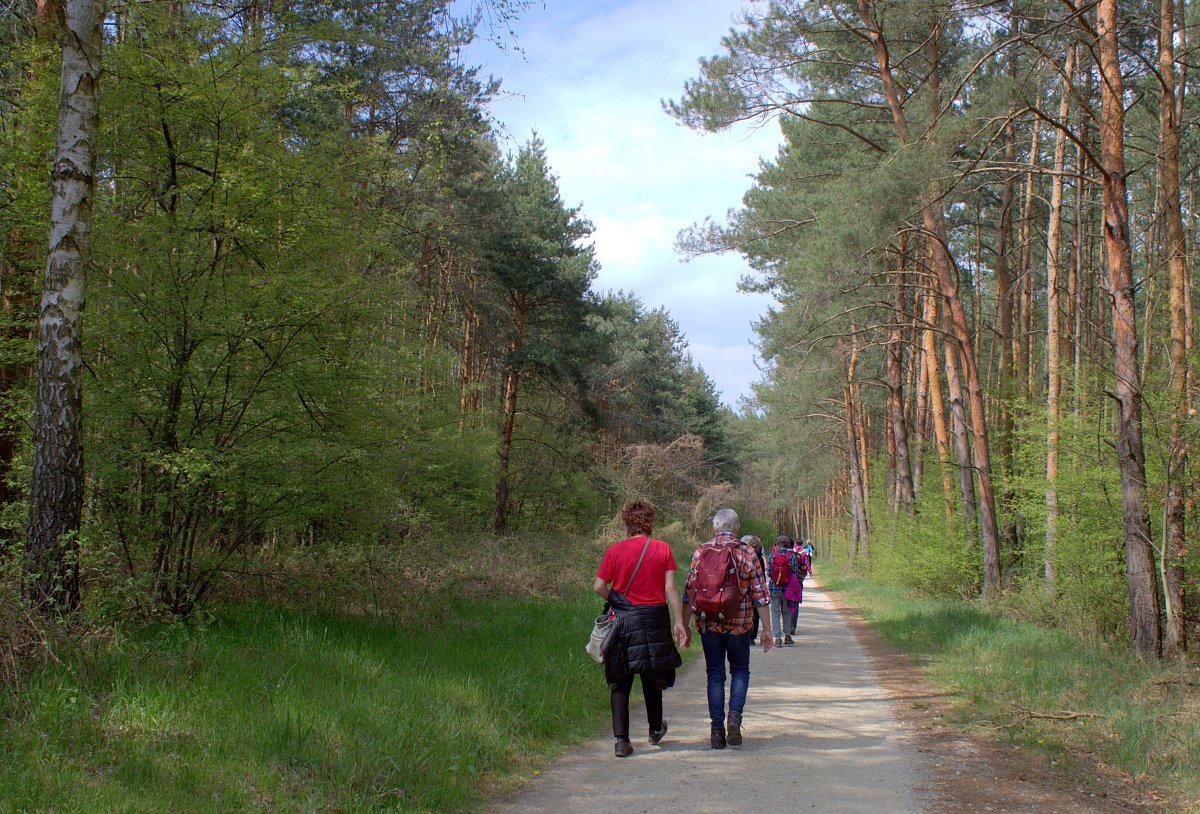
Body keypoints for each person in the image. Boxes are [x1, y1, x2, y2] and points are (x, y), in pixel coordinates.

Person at [594, 500, 688, 758]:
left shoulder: (615, 550)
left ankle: (621, 741)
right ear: (650, 521)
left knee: (620, 677)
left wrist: (618, 601)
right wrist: (679, 621)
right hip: (655, 619)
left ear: (627, 523)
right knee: (652, 674)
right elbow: (670, 587)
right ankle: (655, 729)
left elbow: (599, 585)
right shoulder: (662, 548)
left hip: (623, 619)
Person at [681, 508, 772, 749]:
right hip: (739, 625)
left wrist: (685, 625)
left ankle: (716, 732)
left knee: (715, 675)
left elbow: (689, 592)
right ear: (737, 528)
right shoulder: (747, 552)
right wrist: (767, 630)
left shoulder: (701, 551)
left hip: (709, 624)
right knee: (740, 670)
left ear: (714, 528)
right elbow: (760, 595)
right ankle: (734, 717)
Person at [766, 535, 801, 646]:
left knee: (775, 612)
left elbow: (769, 573)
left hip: (774, 587)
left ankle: (777, 638)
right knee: (786, 612)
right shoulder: (792, 556)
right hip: (788, 589)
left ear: (777, 544)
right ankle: (787, 636)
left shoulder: (772, 556)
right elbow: (795, 572)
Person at [740, 535, 765, 644]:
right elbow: (761, 575)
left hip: (744, 588)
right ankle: (752, 637)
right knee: (755, 613)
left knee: (745, 611)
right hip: (755, 588)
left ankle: (744, 633)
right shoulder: (759, 556)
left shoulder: (743, 555)